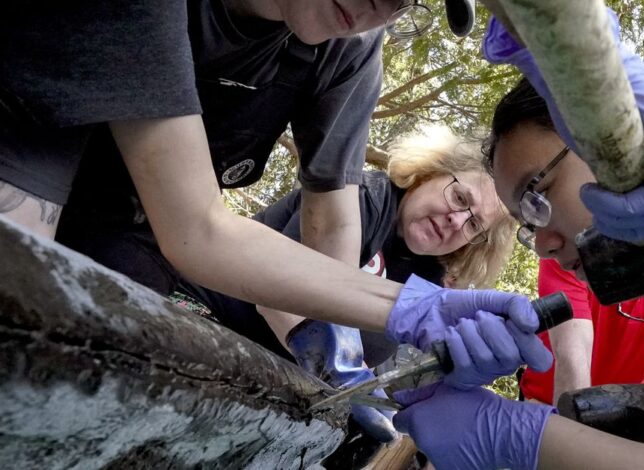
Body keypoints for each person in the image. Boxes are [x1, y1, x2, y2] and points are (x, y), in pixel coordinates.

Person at [0, 0, 552, 426]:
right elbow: (197, 225)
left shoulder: (349, 46)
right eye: (459, 200)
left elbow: (331, 221)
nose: (381, 6)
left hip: (136, 225)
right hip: (33, 143)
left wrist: (337, 342)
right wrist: (412, 307)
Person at [391, 67, 644, 470]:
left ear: (617, 128)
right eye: (528, 224)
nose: (542, 244)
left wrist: (528, 439)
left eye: (537, 193)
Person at [172, 126, 518, 442]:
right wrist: (348, 381)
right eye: (459, 199)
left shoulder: (428, 281)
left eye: (473, 225)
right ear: (429, 173)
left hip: (269, 389)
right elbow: (279, 300)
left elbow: (373, 365)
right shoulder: (361, 199)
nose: (456, 220)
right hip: (199, 321)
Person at [520, 259, 644, 449]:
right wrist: (571, 452)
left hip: (621, 420)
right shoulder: (569, 250)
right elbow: (573, 357)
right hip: (546, 410)